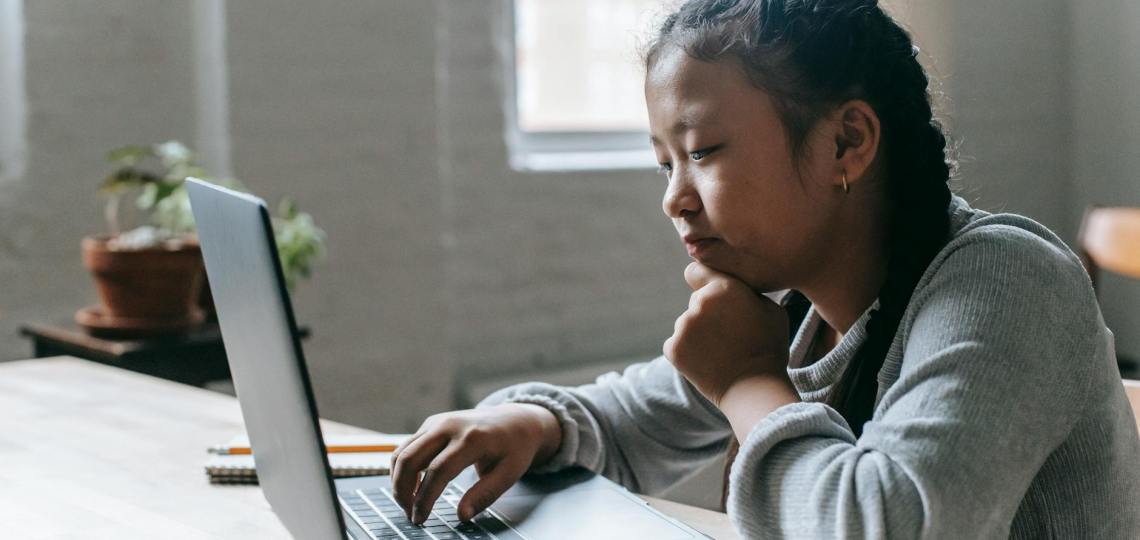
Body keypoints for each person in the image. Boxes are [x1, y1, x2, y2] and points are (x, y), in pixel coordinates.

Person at [390, 0, 1140, 537]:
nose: (675, 200)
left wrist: (749, 383)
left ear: (847, 142)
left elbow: (886, 526)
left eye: (705, 152)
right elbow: (626, 427)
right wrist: (527, 421)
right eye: (665, 163)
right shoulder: (808, 308)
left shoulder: (1005, 282)